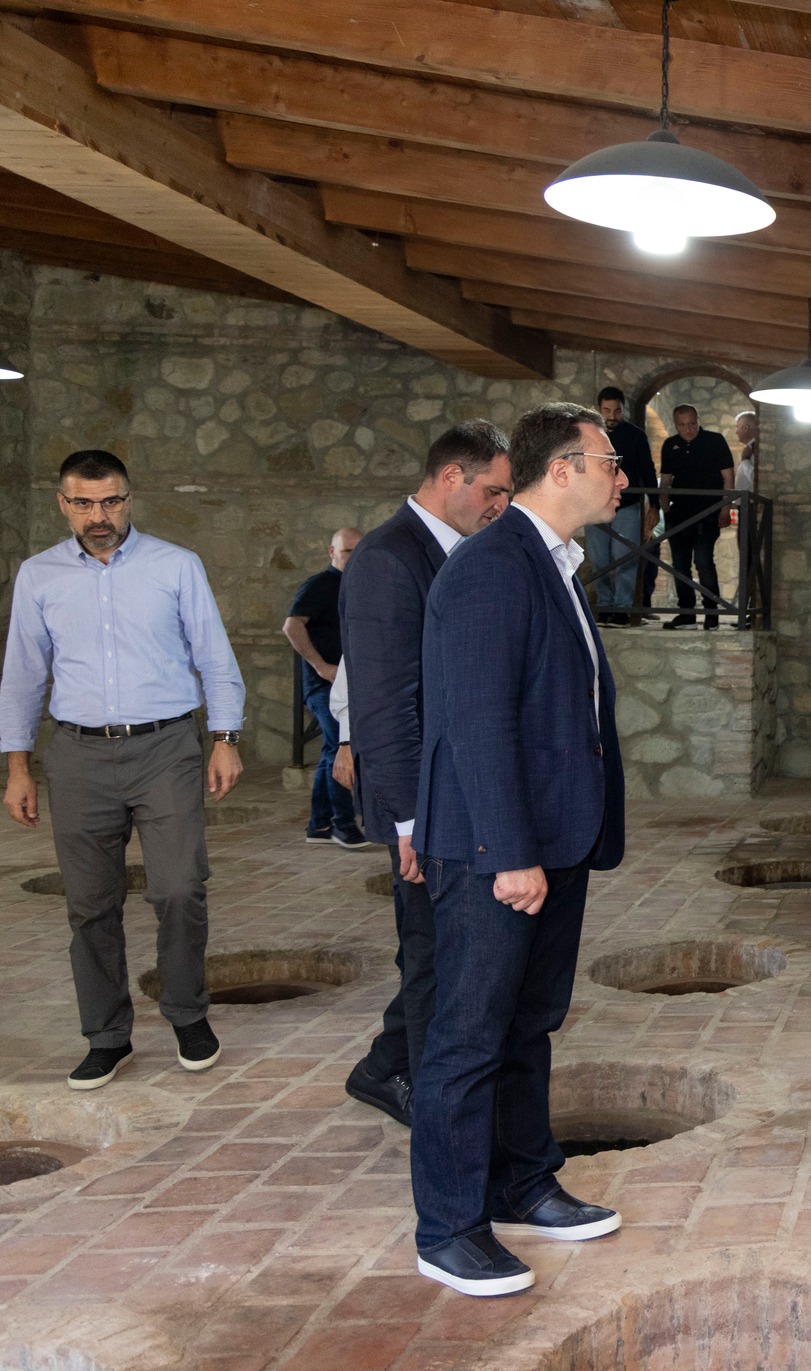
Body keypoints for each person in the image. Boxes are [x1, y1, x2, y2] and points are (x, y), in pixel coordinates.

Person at [410, 402, 628, 1297]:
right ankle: (448, 1227)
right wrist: (509, 851)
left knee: (529, 1022)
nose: (623, 478)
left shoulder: (554, 561)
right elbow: (477, 720)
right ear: (563, 468)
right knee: (468, 1035)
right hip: (494, 848)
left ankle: (522, 1182)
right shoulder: (493, 566)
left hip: (550, 837)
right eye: (611, 462)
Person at [0, 449, 247, 1090]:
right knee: (90, 904)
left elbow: (214, 657)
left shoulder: (175, 565)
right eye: (83, 503)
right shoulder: (39, 575)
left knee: (179, 888)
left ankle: (188, 1015)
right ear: (63, 504)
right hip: (77, 755)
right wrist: (18, 766)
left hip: (166, 748)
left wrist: (225, 738)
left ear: (129, 499)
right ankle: (107, 1036)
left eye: (110, 501)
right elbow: (23, 673)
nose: (98, 515)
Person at [338, 421, 512, 1128]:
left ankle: (385, 1064)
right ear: (450, 478)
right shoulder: (387, 558)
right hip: (421, 805)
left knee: (450, 947)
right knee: (430, 955)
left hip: (453, 794)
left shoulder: (455, 548)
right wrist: (411, 818)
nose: (501, 504)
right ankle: (430, 1102)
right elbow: (384, 706)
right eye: (492, 490)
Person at [284, 528, 372, 849]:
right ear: (332, 552)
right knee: (339, 747)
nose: (353, 557)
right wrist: (321, 666)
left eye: (359, 551)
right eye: (347, 551)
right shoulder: (319, 585)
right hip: (323, 684)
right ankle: (342, 824)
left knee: (329, 751)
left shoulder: (361, 585)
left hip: (350, 683)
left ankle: (319, 824)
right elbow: (292, 626)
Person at [585, 386, 657, 626]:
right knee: (599, 559)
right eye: (607, 410)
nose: (612, 416)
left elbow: (647, 469)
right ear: (599, 409)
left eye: (617, 411)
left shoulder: (636, 436)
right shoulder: (589, 435)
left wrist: (654, 505)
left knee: (625, 557)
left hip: (627, 505)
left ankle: (622, 609)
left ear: (623, 409)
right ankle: (605, 607)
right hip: (594, 506)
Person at [658, 404, 733, 630]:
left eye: (691, 423)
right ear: (675, 425)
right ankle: (687, 614)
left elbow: (728, 477)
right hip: (679, 514)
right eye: (682, 425)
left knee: (703, 561)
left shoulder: (715, 441)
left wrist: (725, 508)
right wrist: (665, 508)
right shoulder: (670, 445)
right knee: (680, 565)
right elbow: (665, 480)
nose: (688, 429)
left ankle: (711, 612)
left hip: (708, 513)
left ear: (698, 420)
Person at [731, 411, 760, 630]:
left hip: (752, 512)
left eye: (738, 427)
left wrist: (744, 461)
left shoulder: (755, 450)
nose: (736, 432)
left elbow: (754, 480)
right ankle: (748, 610)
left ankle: (750, 611)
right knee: (746, 561)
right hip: (745, 511)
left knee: (750, 562)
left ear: (747, 428)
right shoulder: (751, 449)